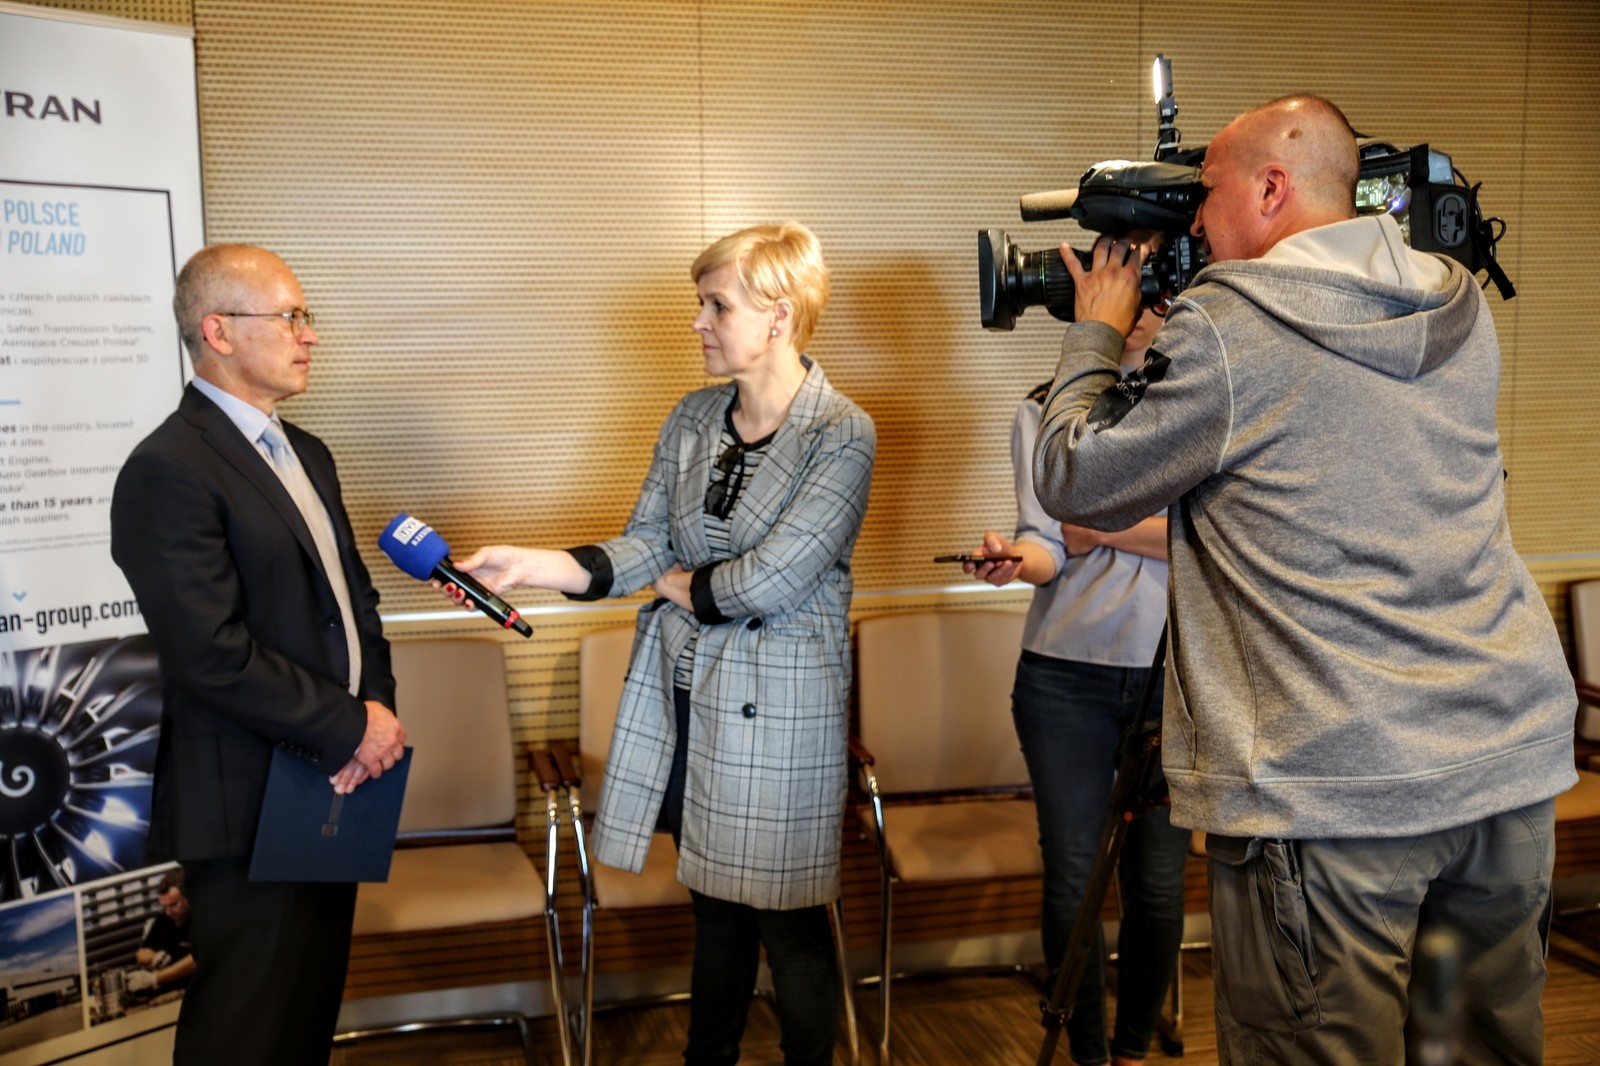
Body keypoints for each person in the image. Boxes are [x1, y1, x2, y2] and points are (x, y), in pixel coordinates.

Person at [1033, 95, 1578, 1064]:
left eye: (1204, 196)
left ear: (1270, 189)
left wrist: (1098, 331)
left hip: (1332, 785)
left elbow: (1076, 478)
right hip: (1502, 759)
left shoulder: (1229, 327)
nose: (1195, 225)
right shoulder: (1457, 303)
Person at [446, 222, 873, 1066]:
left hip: (784, 711)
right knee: (715, 908)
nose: (698, 322)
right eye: (700, 304)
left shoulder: (841, 431)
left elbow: (769, 581)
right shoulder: (692, 417)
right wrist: (531, 564)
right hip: (690, 700)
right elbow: (645, 541)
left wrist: (679, 583)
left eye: (717, 305)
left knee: (789, 922)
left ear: (778, 316)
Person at [110, 244, 404, 1065]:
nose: (310, 335)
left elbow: (354, 606)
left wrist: (375, 713)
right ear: (219, 332)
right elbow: (210, 652)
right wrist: (351, 727)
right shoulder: (167, 468)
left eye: (306, 317)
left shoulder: (307, 451)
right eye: (290, 317)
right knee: (244, 1033)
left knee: (305, 1023)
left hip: (333, 784)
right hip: (246, 798)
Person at [966, 306, 1189, 1066]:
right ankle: (1087, 1056)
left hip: (1172, 678)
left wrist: (1100, 527)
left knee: (1157, 885)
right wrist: (1015, 560)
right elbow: (1049, 541)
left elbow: (1211, 536)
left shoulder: (1195, 400)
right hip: (1064, 678)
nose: (1140, 303)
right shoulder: (1047, 409)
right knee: (1073, 879)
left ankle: (1132, 1053)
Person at [128, 866, 195, 995]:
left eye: (173, 905)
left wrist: (156, 978)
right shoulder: (164, 920)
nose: (168, 912)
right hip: (171, 992)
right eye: (164, 906)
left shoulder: (202, 919)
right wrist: (153, 957)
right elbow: (141, 953)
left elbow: (198, 959)